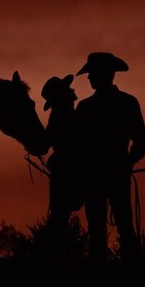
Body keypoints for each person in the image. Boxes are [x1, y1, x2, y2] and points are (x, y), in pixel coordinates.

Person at [74, 52, 145, 261]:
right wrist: (128, 163)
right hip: (115, 174)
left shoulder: (86, 108)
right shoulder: (128, 103)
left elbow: (77, 146)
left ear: (102, 75)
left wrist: (127, 163)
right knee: (123, 225)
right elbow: (140, 141)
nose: (88, 78)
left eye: (91, 74)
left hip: (95, 176)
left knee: (99, 227)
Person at [40, 74, 84, 253]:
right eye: (68, 89)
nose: (73, 90)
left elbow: (45, 143)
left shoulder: (58, 117)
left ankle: (48, 252)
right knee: (60, 218)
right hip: (72, 171)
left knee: (59, 217)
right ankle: (49, 252)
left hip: (64, 171)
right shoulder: (68, 116)